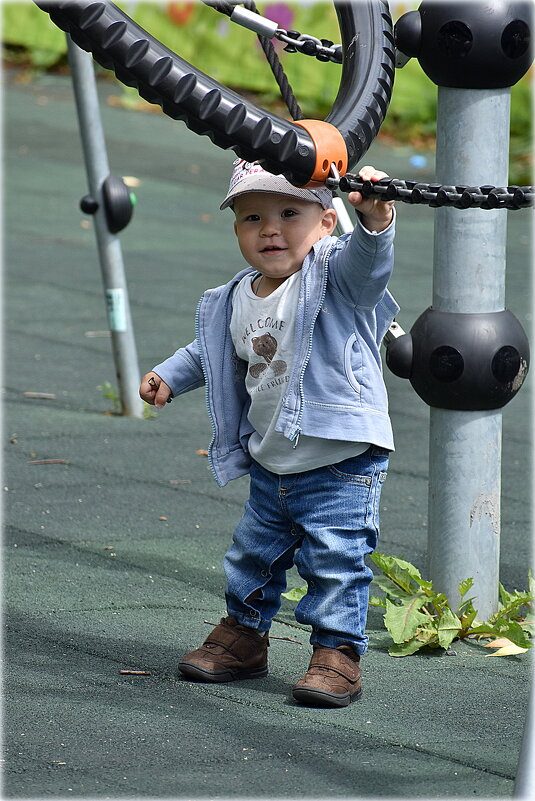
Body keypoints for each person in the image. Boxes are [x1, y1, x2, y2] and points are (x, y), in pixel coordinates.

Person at [140, 158, 397, 708]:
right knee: (252, 556)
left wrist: (374, 223)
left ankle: (336, 654)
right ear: (236, 229)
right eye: (252, 217)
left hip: (339, 460)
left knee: (335, 560)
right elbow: (207, 352)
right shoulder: (235, 297)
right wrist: (169, 375)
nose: (270, 229)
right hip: (272, 458)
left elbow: (368, 268)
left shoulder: (332, 278)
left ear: (326, 222)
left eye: (288, 213)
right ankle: (244, 637)